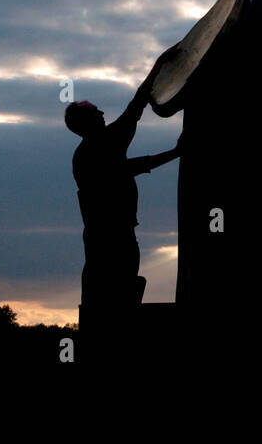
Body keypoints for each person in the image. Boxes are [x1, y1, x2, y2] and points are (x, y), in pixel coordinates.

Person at [66, 57, 180, 313]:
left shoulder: (85, 155)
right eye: (96, 111)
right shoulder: (105, 143)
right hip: (115, 239)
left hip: (102, 240)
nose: (103, 113)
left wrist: (175, 152)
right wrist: (159, 64)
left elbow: (131, 166)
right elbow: (137, 105)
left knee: (105, 301)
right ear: (88, 122)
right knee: (121, 299)